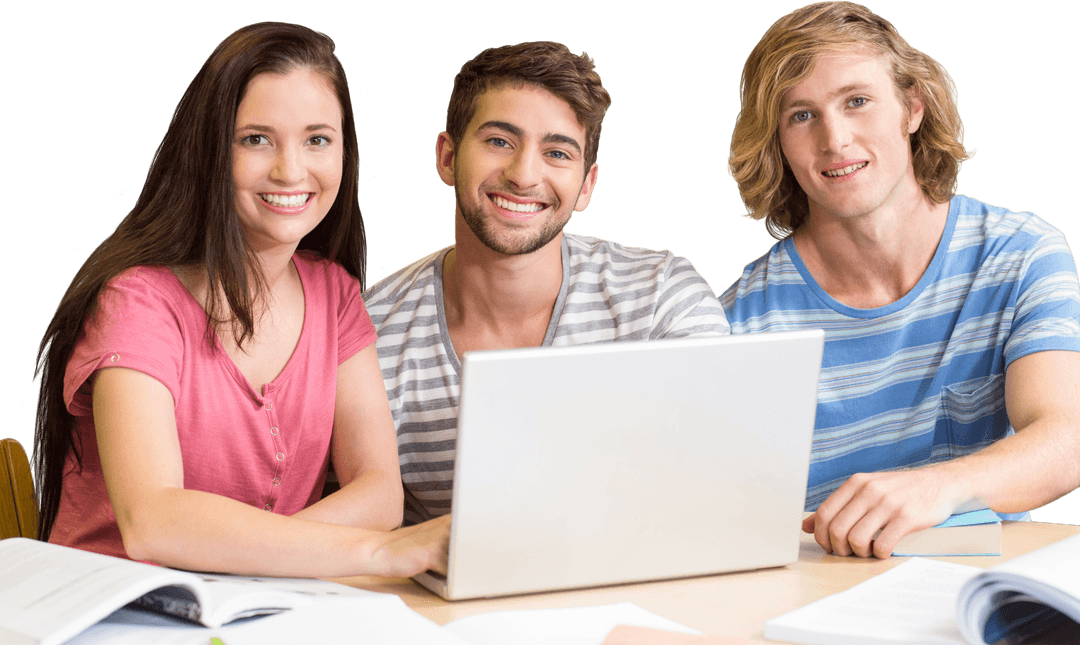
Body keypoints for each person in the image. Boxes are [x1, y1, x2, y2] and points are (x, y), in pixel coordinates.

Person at [32, 22, 449, 577]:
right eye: (256, 139)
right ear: (209, 151)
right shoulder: (135, 302)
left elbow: (379, 496)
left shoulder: (335, 293)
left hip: (259, 612)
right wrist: (372, 552)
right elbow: (152, 521)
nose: (290, 170)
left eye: (317, 139)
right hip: (115, 617)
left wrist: (250, 562)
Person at [722, 1, 1080, 558]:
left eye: (857, 102)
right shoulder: (740, 325)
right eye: (801, 115)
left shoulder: (1021, 253)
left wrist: (935, 487)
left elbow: (1065, 441)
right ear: (779, 144)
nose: (834, 139)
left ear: (912, 108)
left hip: (980, 596)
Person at [363, 41, 729, 524]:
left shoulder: (662, 297)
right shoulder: (368, 336)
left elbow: (721, 485)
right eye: (499, 141)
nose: (523, 175)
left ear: (586, 185)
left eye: (557, 152)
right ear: (447, 158)